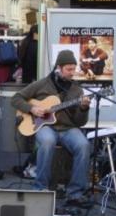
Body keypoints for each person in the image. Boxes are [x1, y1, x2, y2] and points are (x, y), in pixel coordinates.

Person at [12, 50, 92, 207]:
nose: (72, 72)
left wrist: (84, 109)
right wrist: (32, 109)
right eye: (68, 69)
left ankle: (75, 194)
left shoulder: (77, 90)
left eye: (73, 68)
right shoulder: (42, 84)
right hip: (44, 126)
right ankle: (40, 189)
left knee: (83, 145)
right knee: (47, 142)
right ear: (59, 68)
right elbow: (16, 98)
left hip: (68, 128)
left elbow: (80, 122)